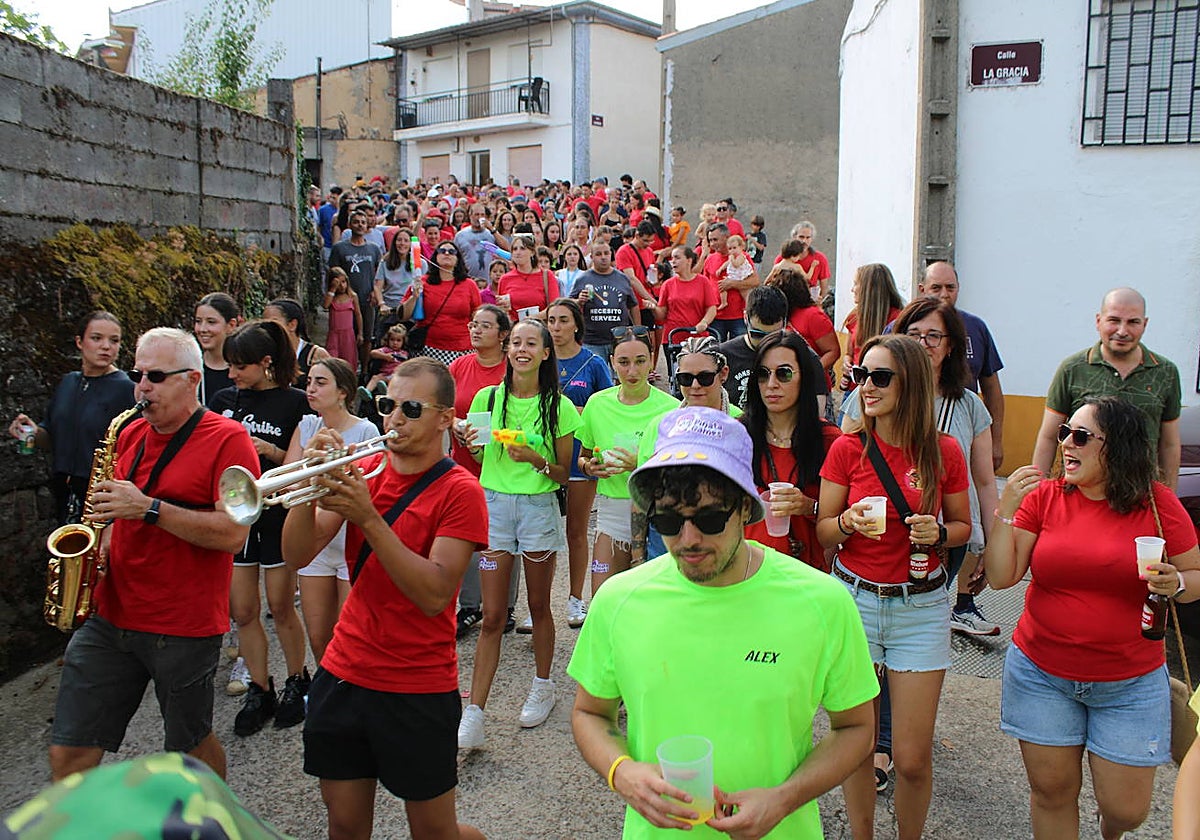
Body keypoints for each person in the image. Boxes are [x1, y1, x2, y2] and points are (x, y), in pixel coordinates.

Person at [568, 406, 878, 838]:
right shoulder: (620, 599)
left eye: (711, 519)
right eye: (669, 520)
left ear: (745, 510)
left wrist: (785, 798)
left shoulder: (821, 602)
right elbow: (589, 713)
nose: (689, 540)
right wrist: (621, 772)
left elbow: (857, 728)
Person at [280, 358, 488, 840]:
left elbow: (436, 594)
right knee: (345, 824)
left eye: (410, 408)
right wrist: (309, 486)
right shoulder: (367, 468)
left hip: (417, 684)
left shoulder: (461, 491)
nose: (393, 418)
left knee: (435, 832)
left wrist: (369, 518)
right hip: (345, 670)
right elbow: (297, 554)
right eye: (386, 404)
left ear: (444, 417)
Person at [47, 327, 258, 781]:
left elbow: (231, 535)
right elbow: (112, 515)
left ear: (191, 380)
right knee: (69, 753)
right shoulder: (129, 433)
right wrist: (96, 549)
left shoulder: (228, 440)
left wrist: (149, 509)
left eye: (156, 376)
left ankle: (216, 820)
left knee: (190, 751)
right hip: (112, 612)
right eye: (139, 373)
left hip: (181, 625)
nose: (142, 386)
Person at [985, 396, 1199, 840]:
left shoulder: (1156, 503)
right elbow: (1002, 577)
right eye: (1065, 433)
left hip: (1130, 682)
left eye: (1081, 436)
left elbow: (1196, 574)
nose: (1066, 444)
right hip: (1041, 674)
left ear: (1117, 446)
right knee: (1052, 794)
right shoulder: (1046, 497)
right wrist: (1006, 509)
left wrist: (1175, 582)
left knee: (1126, 810)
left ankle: (1111, 829)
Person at [817, 333, 972, 840]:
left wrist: (940, 533)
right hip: (857, 599)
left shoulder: (943, 451)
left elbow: (964, 528)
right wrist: (847, 525)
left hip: (919, 608)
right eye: (861, 375)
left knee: (910, 758)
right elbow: (824, 529)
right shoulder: (848, 448)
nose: (866, 386)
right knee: (858, 744)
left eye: (880, 377)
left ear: (912, 383)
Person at [457, 319, 580, 748]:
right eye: (515, 343)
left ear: (547, 353)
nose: (521, 349)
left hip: (537, 509)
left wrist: (534, 459)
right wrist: (470, 441)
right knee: (492, 616)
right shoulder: (488, 397)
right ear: (507, 350)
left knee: (538, 604)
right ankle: (474, 712)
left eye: (532, 343)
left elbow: (565, 474)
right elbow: (477, 452)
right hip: (493, 509)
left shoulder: (559, 407)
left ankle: (543, 684)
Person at [210, 320, 312, 736]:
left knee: (282, 605)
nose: (232, 374)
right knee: (243, 610)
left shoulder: (296, 403)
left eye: (240, 366)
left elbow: (300, 465)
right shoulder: (222, 400)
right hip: (235, 518)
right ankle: (259, 685)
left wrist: (267, 450)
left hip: (274, 517)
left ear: (265, 363)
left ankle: (295, 679)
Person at [1032, 287, 1181, 490]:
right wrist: (1038, 492)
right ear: (1098, 321)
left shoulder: (1166, 372)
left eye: (1133, 322)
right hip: (1080, 494)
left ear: (1145, 324)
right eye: (1114, 320)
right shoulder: (1073, 369)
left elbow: (1169, 444)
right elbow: (1049, 437)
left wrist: (1169, 495)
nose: (1122, 331)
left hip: (1141, 493)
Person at [281, 357, 378, 666]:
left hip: (351, 542)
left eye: (321, 383)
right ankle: (328, 697)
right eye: (309, 381)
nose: (310, 388)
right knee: (319, 637)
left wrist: (320, 482)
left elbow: (367, 489)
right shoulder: (307, 425)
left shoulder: (366, 431)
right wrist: (312, 469)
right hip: (315, 543)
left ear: (343, 392)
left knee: (348, 637)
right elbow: (287, 482)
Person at [577, 327, 680, 593]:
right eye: (624, 362)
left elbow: (681, 471)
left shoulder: (671, 408)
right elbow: (584, 457)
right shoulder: (597, 404)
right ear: (612, 361)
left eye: (640, 361)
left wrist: (641, 464)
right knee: (603, 598)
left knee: (654, 599)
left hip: (657, 512)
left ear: (652, 360)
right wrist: (590, 467)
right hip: (612, 510)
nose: (632, 371)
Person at [9, 310, 135, 525]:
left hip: (102, 497)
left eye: (114, 340)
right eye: (97, 338)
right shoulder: (69, 382)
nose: (106, 346)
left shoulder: (127, 389)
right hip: (64, 491)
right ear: (79, 342)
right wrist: (32, 432)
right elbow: (52, 438)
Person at [744, 331, 841, 572]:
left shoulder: (829, 440)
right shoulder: (738, 435)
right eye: (763, 374)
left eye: (784, 374)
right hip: (749, 571)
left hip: (806, 573)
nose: (772, 384)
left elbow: (846, 520)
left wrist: (809, 506)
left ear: (804, 378)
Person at [448, 305, 514, 639]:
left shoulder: (513, 368)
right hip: (463, 464)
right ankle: (471, 606)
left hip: (503, 464)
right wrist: (457, 425)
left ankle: (506, 606)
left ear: (503, 335)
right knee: (468, 536)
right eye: (473, 324)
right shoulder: (459, 365)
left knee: (503, 536)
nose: (475, 330)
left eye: (485, 326)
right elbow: (446, 408)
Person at [546, 298, 613, 627]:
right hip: (543, 459)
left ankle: (575, 600)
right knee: (540, 536)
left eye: (561, 321)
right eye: (551, 321)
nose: (555, 328)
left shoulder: (594, 363)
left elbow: (608, 409)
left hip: (579, 459)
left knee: (575, 531)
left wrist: (576, 413)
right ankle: (537, 604)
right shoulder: (540, 361)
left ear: (576, 324)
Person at [919, 261, 1006, 470]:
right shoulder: (901, 327)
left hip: (965, 432)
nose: (944, 294)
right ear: (922, 289)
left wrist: (996, 441)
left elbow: (992, 389)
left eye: (950, 288)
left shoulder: (976, 328)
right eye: (936, 288)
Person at [714, 285, 828, 412]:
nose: (765, 342)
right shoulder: (722, 356)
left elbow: (815, 414)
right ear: (745, 318)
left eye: (773, 336)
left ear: (785, 324)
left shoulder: (805, 358)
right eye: (757, 334)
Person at [399, 239, 481, 366]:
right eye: (442, 251)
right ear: (435, 256)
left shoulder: (469, 284)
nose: (447, 253)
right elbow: (404, 315)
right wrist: (414, 297)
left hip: (462, 347)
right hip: (428, 347)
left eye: (451, 252)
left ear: (457, 259)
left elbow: (476, 316)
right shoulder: (422, 282)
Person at [329, 209, 383, 374]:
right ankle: (346, 370)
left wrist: (376, 292)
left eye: (363, 222)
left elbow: (379, 275)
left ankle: (364, 371)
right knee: (347, 337)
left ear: (367, 225)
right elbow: (333, 272)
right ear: (349, 225)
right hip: (346, 301)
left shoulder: (373, 249)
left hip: (367, 299)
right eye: (356, 222)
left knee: (367, 337)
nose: (360, 225)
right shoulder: (340, 248)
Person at [839, 264, 905, 397]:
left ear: (869, 288)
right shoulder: (854, 317)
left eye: (856, 284)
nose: (852, 289)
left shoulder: (897, 320)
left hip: (881, 390)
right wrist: (847, 363)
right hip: (854, 390)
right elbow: (849, 354)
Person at [570, 239, 641, 360]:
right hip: (592, 341)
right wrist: (579, 301)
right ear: (591, 257)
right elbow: (568, 305)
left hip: (620, 339)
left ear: (611, 254)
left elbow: (633, 305)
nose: (603, 257)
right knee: (595, 377)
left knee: (621, 377)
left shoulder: (622, 278)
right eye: (598, 254)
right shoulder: (582, 279)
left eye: (606, 253)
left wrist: (637, 332)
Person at [653, 245, 719, 342]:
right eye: (672, 258)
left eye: (677, 258)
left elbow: (712, 308)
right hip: (673, 336)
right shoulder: (668, 284)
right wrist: (653, 308)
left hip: (697, 336)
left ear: (689, 260)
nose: (673, 261)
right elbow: (662, 314)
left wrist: (704, 322)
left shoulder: (703, 281)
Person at [263, 297, 330, 391]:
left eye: (273, 322)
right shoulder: (266, 355)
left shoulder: (315, 355)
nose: (267, 328)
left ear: (292, 325)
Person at [375, 227, 425, 339]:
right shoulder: (385, 263)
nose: (402, 243)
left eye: (406, 241)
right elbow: (378, 286)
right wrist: (381, 304)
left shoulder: (421, 264)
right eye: (399, 240)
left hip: (411, 310)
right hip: (390, 309)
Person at [496, 233, 560, 321]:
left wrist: (531, 318)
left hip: (540, 328)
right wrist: (503, 308)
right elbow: (501, 312)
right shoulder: (505, 279)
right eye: (515, 249)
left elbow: (554, 307)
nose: (518, 252)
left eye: (522, 248)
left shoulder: (546, 275)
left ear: (532, 252)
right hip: (515, 329)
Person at [193, 292, 241, 407]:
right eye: (198, 321)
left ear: (231, 325)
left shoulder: (245, 371)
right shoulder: (189, 367)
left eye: (211, 322)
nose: (203, 329)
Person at [323, 267, 363, 372]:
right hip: (334, 334)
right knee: (332, 360)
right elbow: (326, 305)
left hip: (348, 335)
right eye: (338, 283)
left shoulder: (352, 296)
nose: (342, 286)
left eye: (344, 282)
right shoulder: (331, 297)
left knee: (348, 361)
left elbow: (358, 314)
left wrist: (360, 332)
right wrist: (332, 289)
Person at [455, 203, 495, 282]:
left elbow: (506, 248)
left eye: (482, 215)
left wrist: (492, 229)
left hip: (489, 282)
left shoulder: (491, 234)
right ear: (470, 216)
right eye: (476, 214)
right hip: (468, 280)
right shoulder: (460, 235)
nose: (479, 218)